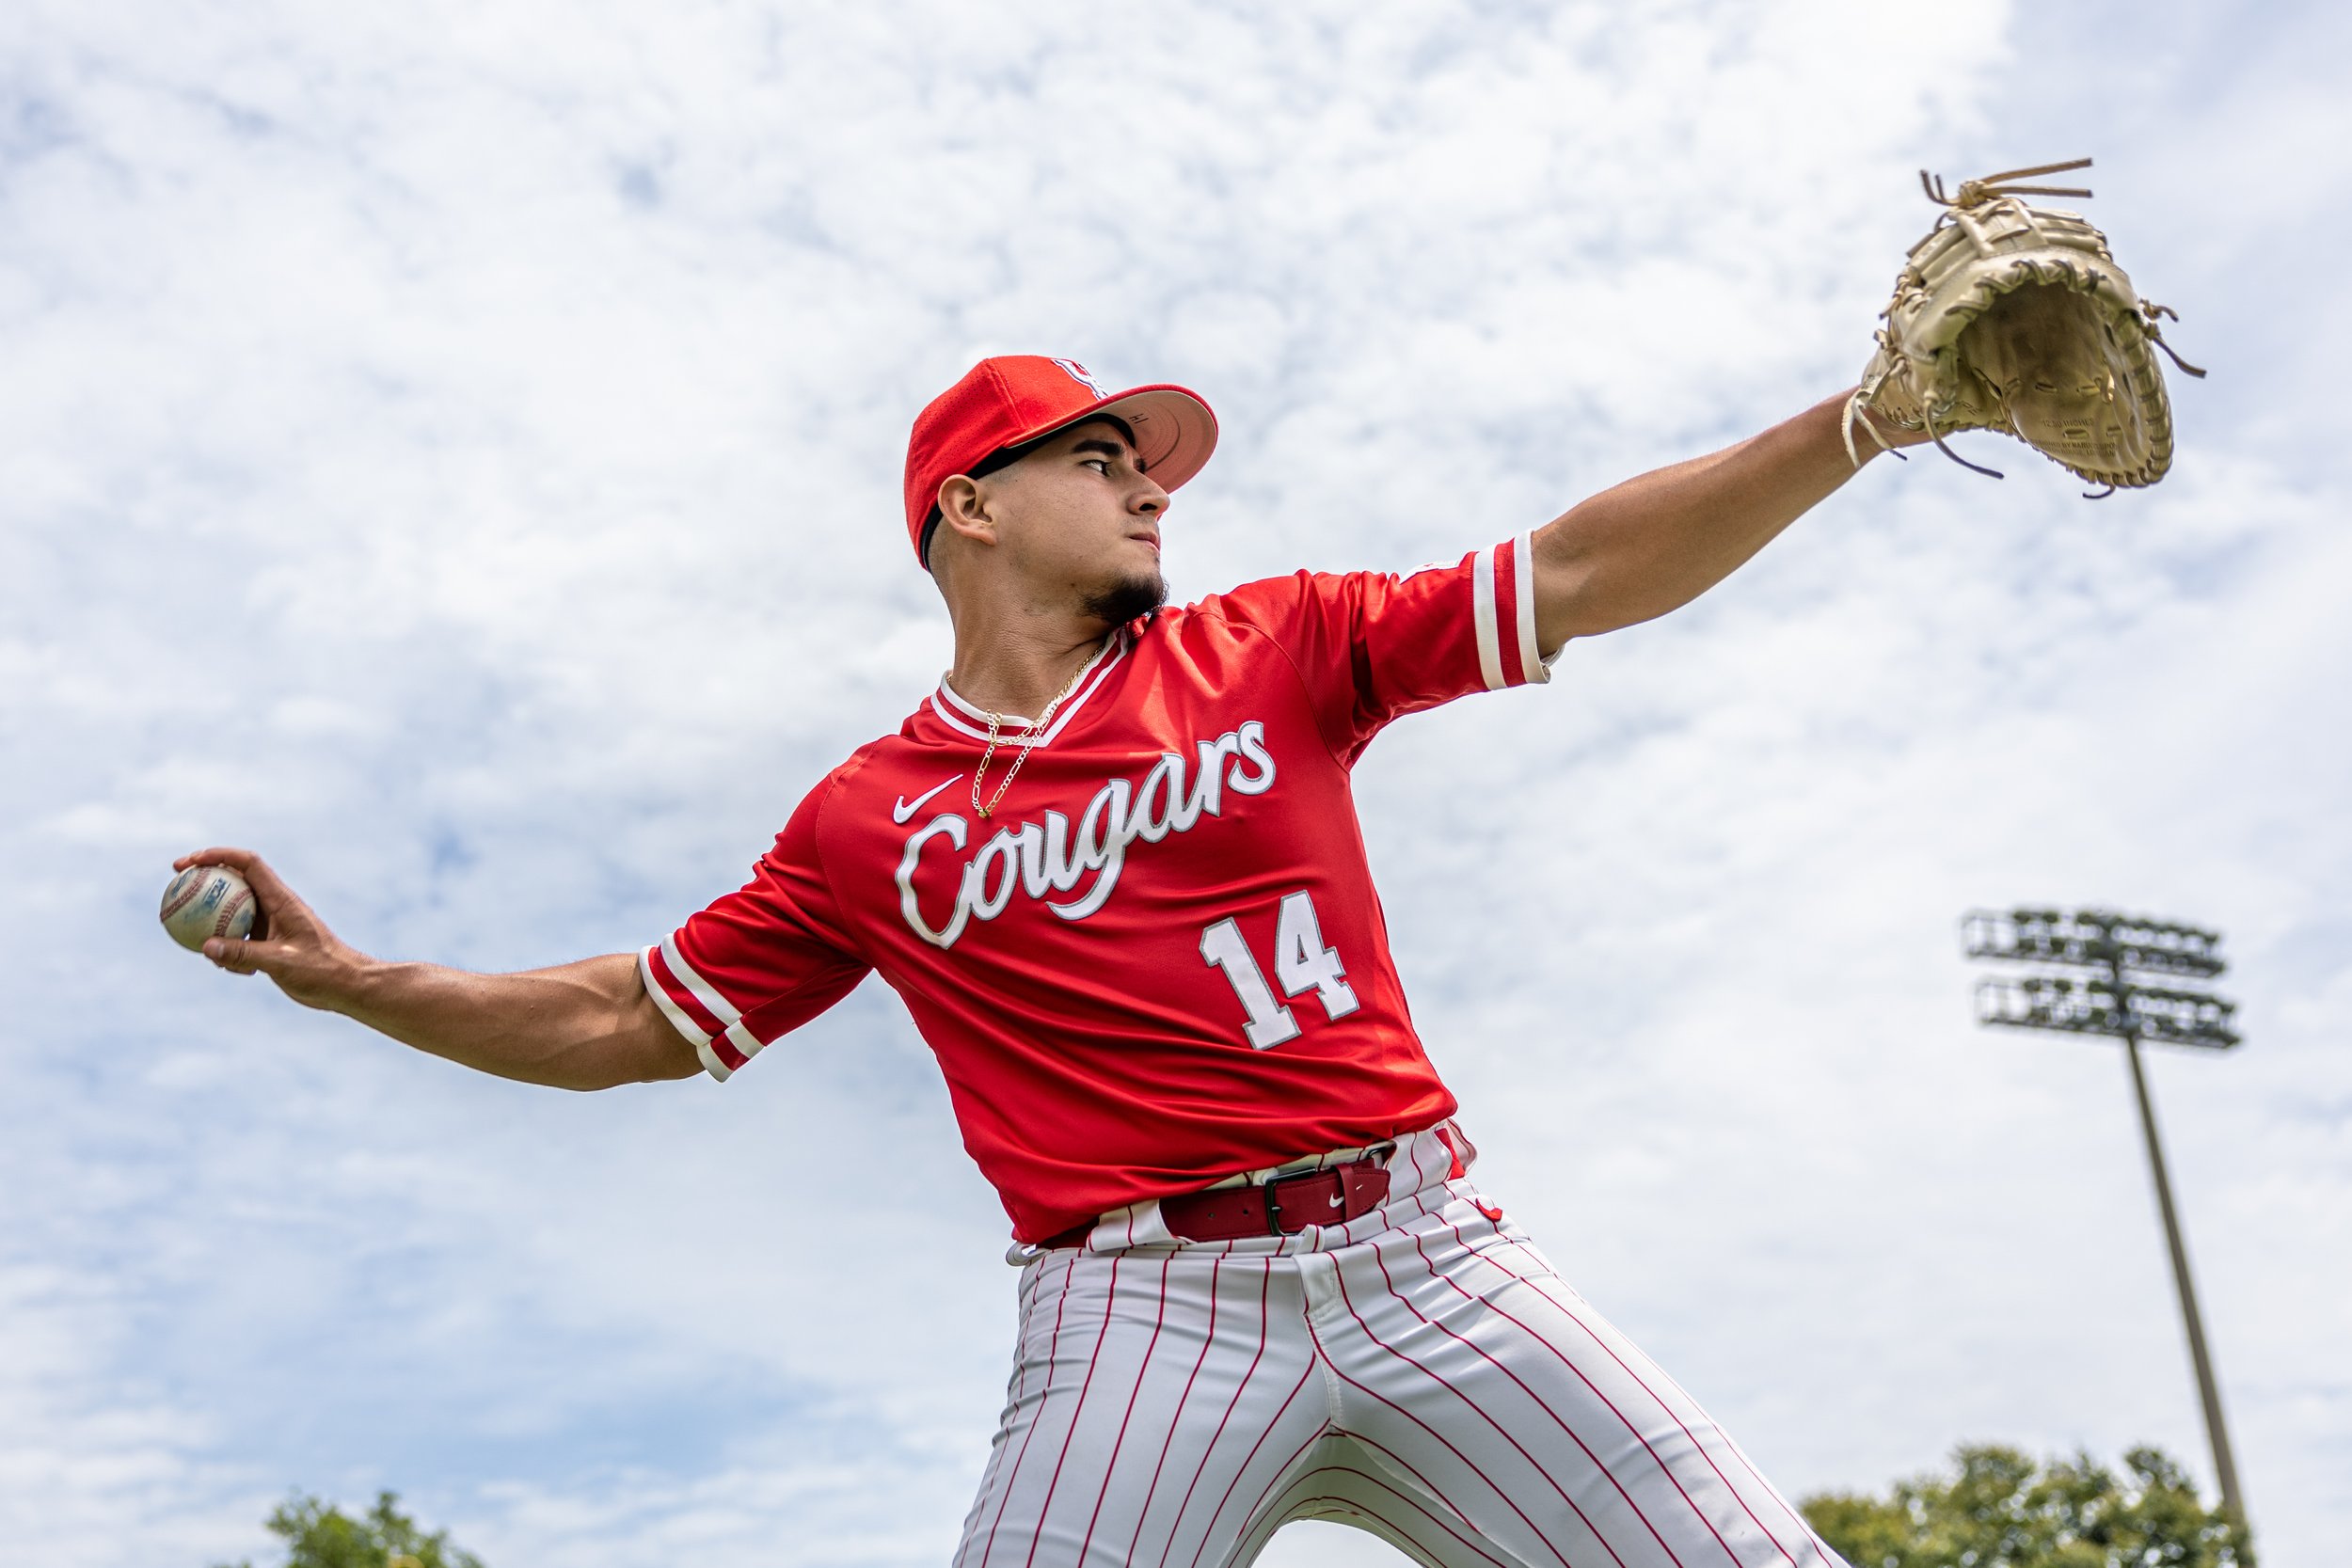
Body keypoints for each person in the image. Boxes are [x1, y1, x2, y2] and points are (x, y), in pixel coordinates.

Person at [183, 355, 1922, 1568]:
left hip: (1428, 1257)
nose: (1150, 481)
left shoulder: (1277, 642)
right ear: (973, 508)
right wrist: (360, 980)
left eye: (1143, 457)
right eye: (1100, 456)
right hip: (1137, 1313)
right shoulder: (866, 819)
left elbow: (1583, 568)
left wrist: (1865, 418)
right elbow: (632, 1015)